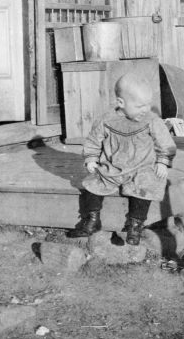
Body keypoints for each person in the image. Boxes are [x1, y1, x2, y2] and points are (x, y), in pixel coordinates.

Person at [68, 72, 176, 245]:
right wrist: (91, 159)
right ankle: (92, 219)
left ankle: (135, 225)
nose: (146, 110)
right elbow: (93, 141)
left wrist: (162, 162)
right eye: (140, 106)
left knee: (147, 185)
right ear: (121, 103)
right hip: (112, 166)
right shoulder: (107, 120)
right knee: (92, 183)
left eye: (148, 105)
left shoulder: (151, 120)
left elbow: (166, 144)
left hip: (142, 167)